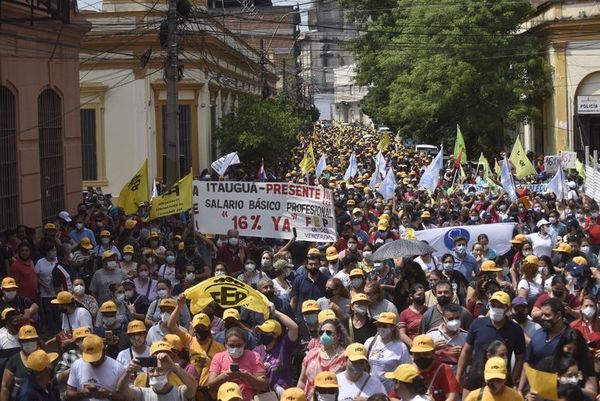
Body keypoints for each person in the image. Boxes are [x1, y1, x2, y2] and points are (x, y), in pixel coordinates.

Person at [456, 291, 525, 386]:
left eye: (500, 306)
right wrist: (458, 376)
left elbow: (520, 359)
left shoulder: (515, 330)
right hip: (476, 379)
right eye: (493, 305)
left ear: (507, 309)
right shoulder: (477, 324)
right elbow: (466, 351)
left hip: (501, 381)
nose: (496, 309)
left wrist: (512, 380)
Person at [167, 295, 225, 401]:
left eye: (203, 327)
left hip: (209, 393)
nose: (200, 330)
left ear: (209, 328)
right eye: (197, 327)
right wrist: (179, 306)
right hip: (190, 392)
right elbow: (171, 326)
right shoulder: (188, 340)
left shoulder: (219, 347)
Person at [519, 297, 567, 392]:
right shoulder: (537, 334)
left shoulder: (570, 337)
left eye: (547, 315)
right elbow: (528, 363)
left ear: (558, 315)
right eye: (542, 314)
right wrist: (520, 390)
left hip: (560, 393)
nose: (543, 318)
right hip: (536, 391)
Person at [206, 327, 268, 401]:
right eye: (231, 346)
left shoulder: (254, 357)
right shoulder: (218, 357)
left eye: (239, 345)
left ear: (244, 344)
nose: (235, 348)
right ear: (225, 344)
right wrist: (223, 376)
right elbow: (210, 386)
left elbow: (262, 385)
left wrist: (247, 376)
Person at [117, 344, 198, 400]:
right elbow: (121, 392)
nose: (155, 374)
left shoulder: (180, 393)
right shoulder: (141, 394)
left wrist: (175, 368)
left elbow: (193, 387)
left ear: (169, 370)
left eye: (160, 370)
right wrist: (128, 371)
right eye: (152, 370)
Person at [297, 318, 348, 399]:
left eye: (328, 332)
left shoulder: (345, 357)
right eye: (321, 332)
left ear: (338, 336)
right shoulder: (311, 354)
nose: (324, 335)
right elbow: (302, 381)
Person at [253, 305, 299, 395]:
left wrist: (275, 312)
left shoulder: (284, 346)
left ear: (275, 335)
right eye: (261, 331)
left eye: (265, 332)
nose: (262, 334)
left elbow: (294, 327)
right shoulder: (256, 350)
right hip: (263, 394)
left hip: (283, 393)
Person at [65, 334, 126, 400]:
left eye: (96, 358)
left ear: (104, 351)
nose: (94, 362)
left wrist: (109, 394)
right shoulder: (77, 365)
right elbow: (68, 393)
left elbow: (125, 397)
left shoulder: (118, 368)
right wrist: (81, 393)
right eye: (90, 359)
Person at [364, 312, 412, 392]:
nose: (381, 328)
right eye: (379, 325)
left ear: (393, 327)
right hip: (369, 388)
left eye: (384, 326)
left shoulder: (400, 347)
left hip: (389, 390)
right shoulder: (370, 342)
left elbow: (407, 369)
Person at [410, 334, 460, 401]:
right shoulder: (409, 370)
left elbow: (452, 397)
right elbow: (394, 396)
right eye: (417, 354)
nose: (421, 357)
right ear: (412, 355)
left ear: (433, 353)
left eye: (426, 354)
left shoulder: (444, 369)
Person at [1, 325, 41, 401]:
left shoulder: (45, 358)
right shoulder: (14, 360)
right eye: (25, 340)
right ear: (20, 341)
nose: (29, 342)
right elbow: (5, 386)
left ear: (37, 340)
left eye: (32, 339)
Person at [427, 303, 467, 372]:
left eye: (457, 318)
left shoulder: (466, 336)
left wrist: (463, 355)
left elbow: (473, 361)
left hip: (457, 377)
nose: (454, 321)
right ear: (443, 319)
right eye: (450, 319)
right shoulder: (431, 335)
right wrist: (433, 348)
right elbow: (422, 358)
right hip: (436, 376)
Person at [290, 252, 328, 321]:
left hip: (320, 318)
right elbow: (294, 301)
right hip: (302, 319)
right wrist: (291, 318)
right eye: (311, 264)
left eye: (315, 264)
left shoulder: (326, 281)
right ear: (306, 265)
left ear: (319, 264)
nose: (313, 266)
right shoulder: (298, 280)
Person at [399, 284, 428, 348]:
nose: (422, 296)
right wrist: (413, 345)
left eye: (423, 294)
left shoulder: (429, 311)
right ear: (411, 296)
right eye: (419, 294)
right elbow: (402, 334)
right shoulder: (404, 313)